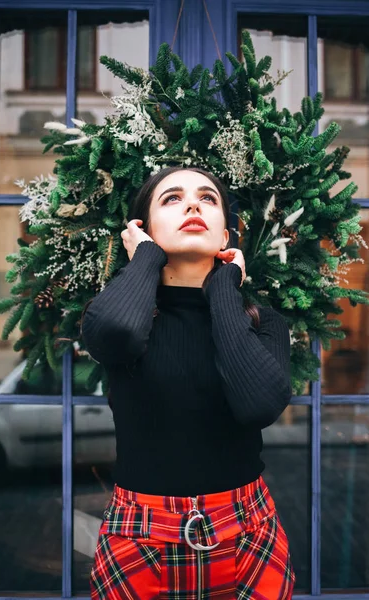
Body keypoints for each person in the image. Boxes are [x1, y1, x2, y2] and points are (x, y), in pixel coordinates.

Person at [81, 166, 296, 599]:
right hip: (139, 538)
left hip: (247, 533)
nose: (194, 204)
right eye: (171, 199)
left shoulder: (264, 322)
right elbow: (117, 333)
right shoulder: (128, 315)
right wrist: (145, 258)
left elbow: (258, 405)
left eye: (208, 199)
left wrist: (223, 287)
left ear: (224, 237)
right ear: (144, 229)